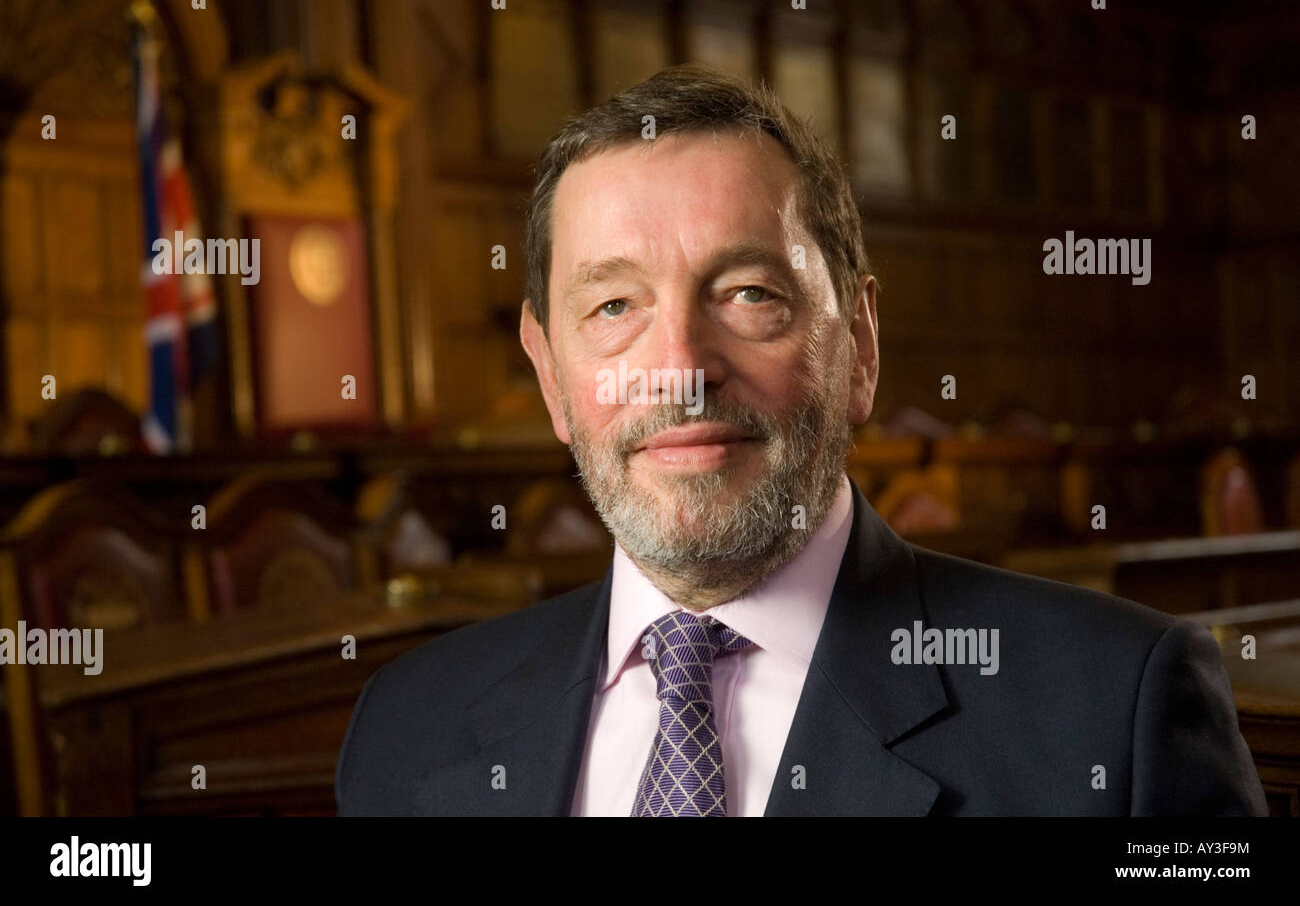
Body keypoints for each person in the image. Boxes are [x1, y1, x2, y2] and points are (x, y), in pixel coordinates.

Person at [335, 64, 1267, 816]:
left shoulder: (1117, 713)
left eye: (747, 293)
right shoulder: (406, 730)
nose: (679, 368)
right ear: (550, 374)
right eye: (614, 306)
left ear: (858, 342)